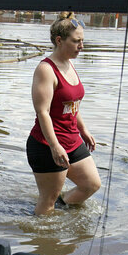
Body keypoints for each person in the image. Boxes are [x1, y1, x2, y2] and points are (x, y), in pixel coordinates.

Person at [26, 12, 101, 215]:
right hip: (46, 144)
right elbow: (43, 112)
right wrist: (54, 145)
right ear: (59, 41)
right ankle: (42, 238)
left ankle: (62, 210)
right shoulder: (46, 70)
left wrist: (83, 129)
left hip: (71, 139)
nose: (81, 46)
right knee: (47, 201)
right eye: (76, 41)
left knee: (91, 184)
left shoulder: (69, 64)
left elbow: (71, 105)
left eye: (82, 41)